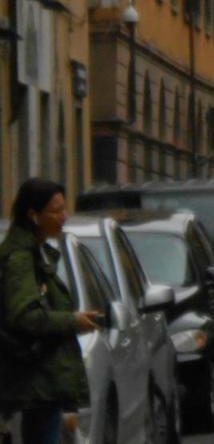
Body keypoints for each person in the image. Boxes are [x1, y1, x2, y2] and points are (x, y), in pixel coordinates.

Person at [0, 179, 99, 444]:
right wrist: (72, 321)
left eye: (64, 209)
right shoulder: (20, 258)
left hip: (42, 385)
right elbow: (24, 316)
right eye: (56, 211)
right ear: (34, 215)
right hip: (34, 382)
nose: (64, 217)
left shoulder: (37, 253)